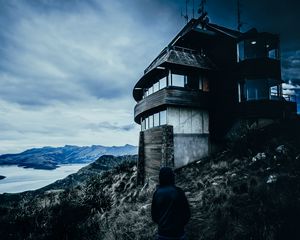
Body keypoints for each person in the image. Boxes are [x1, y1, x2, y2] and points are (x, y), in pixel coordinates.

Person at [151, 167, 191, 240]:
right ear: (172, 177)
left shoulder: (157, 193)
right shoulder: (179, 191)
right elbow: (187, 213)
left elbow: (154, 216)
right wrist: (180, 226)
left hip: (162, 234)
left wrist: (162, 225)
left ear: (160, 177)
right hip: (178, 234)